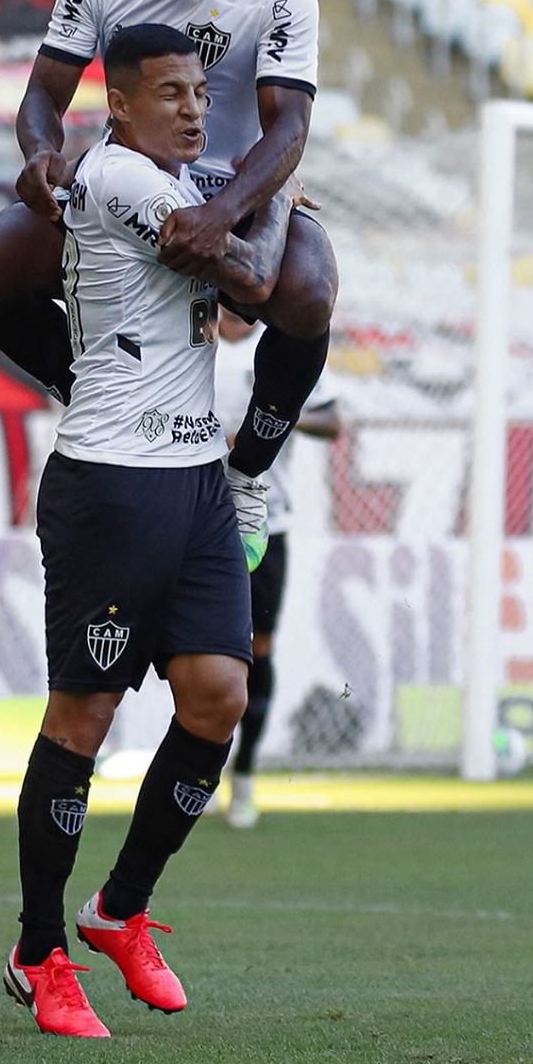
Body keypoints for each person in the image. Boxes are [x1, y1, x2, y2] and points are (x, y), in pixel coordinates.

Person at [0, 24, 312, 1038]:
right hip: (110, 484)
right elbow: (256, 282)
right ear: (119, 105)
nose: (191, 107)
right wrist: (277, 207)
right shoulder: (125, 178)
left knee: (219, 695)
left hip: (194, 483)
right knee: (81, 720)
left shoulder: (183, 181)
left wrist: (255, 205)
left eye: (198, 91)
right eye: (168, 91)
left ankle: (118, 909)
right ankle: (40, 947)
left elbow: (242, 267)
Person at [0, 0, 338, 571]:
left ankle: (249, 471)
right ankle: (85, 385)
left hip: (240, 185)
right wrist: (40, 156)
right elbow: (43, 96)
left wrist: (223, 213)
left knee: (310, 294)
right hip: (125, 184)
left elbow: (289, 126)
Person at [214, 306, 341, 827]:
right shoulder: (190, 331)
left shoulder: (283, 343)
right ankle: (196, 771)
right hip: (193, 519)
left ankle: (243, 775)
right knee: (193, 652)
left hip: (266, 524)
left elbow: (332, 420)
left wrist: (276, 417)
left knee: (256, 651)